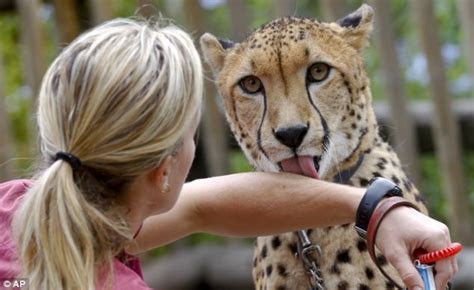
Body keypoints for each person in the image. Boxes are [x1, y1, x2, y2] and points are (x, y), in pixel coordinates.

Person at [0, 18, 456, 290]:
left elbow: (201, 204)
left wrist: (373, 206)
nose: (287, 123)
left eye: (316, 73)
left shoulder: (16, 206)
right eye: (252, 88)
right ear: (164, 171)